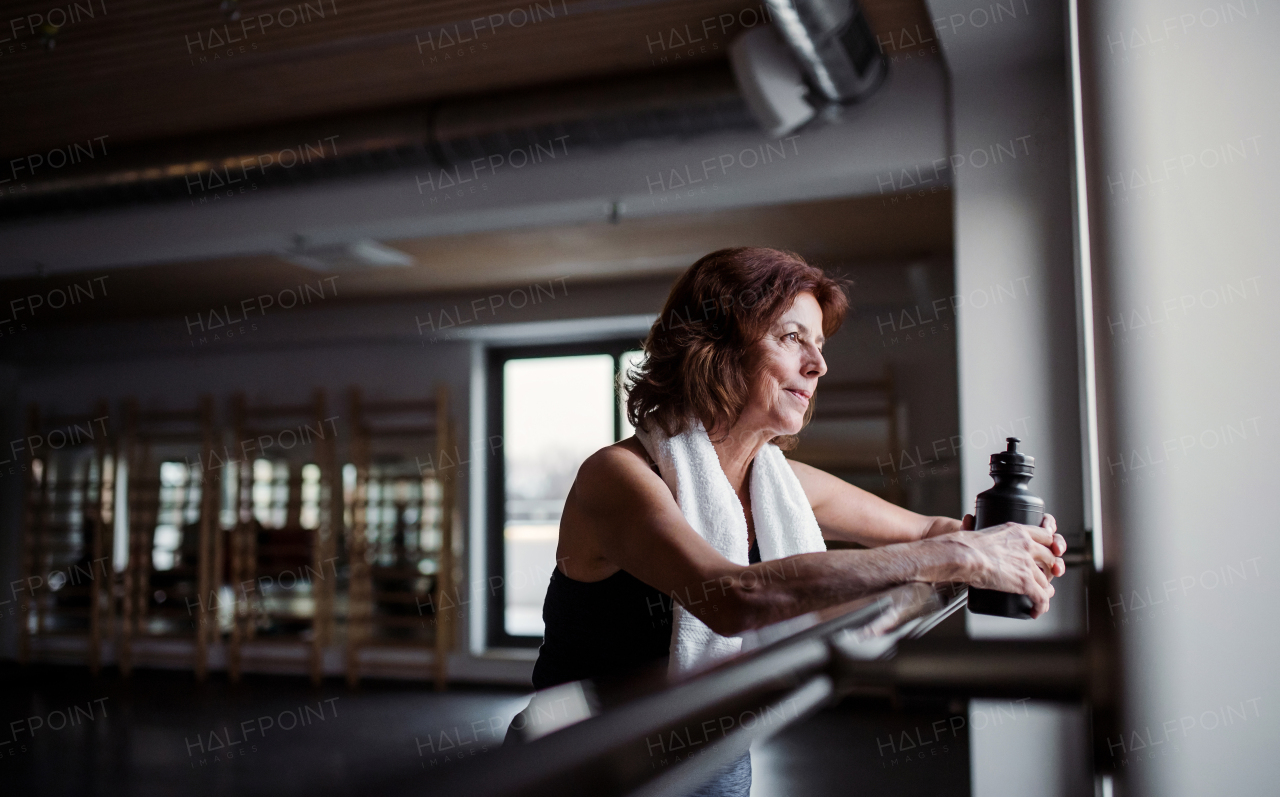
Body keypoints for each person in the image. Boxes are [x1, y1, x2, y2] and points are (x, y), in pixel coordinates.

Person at [522, 247, 1066, 796]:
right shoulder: (617, 477)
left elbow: (928, 534)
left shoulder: (782, 484)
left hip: (711, 758)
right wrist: (961, 557)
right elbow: (731, 598)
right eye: (791, 338)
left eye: (820, 345)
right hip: (583, 770)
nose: (819, 365)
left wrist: (1012, 543)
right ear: (715, 345)